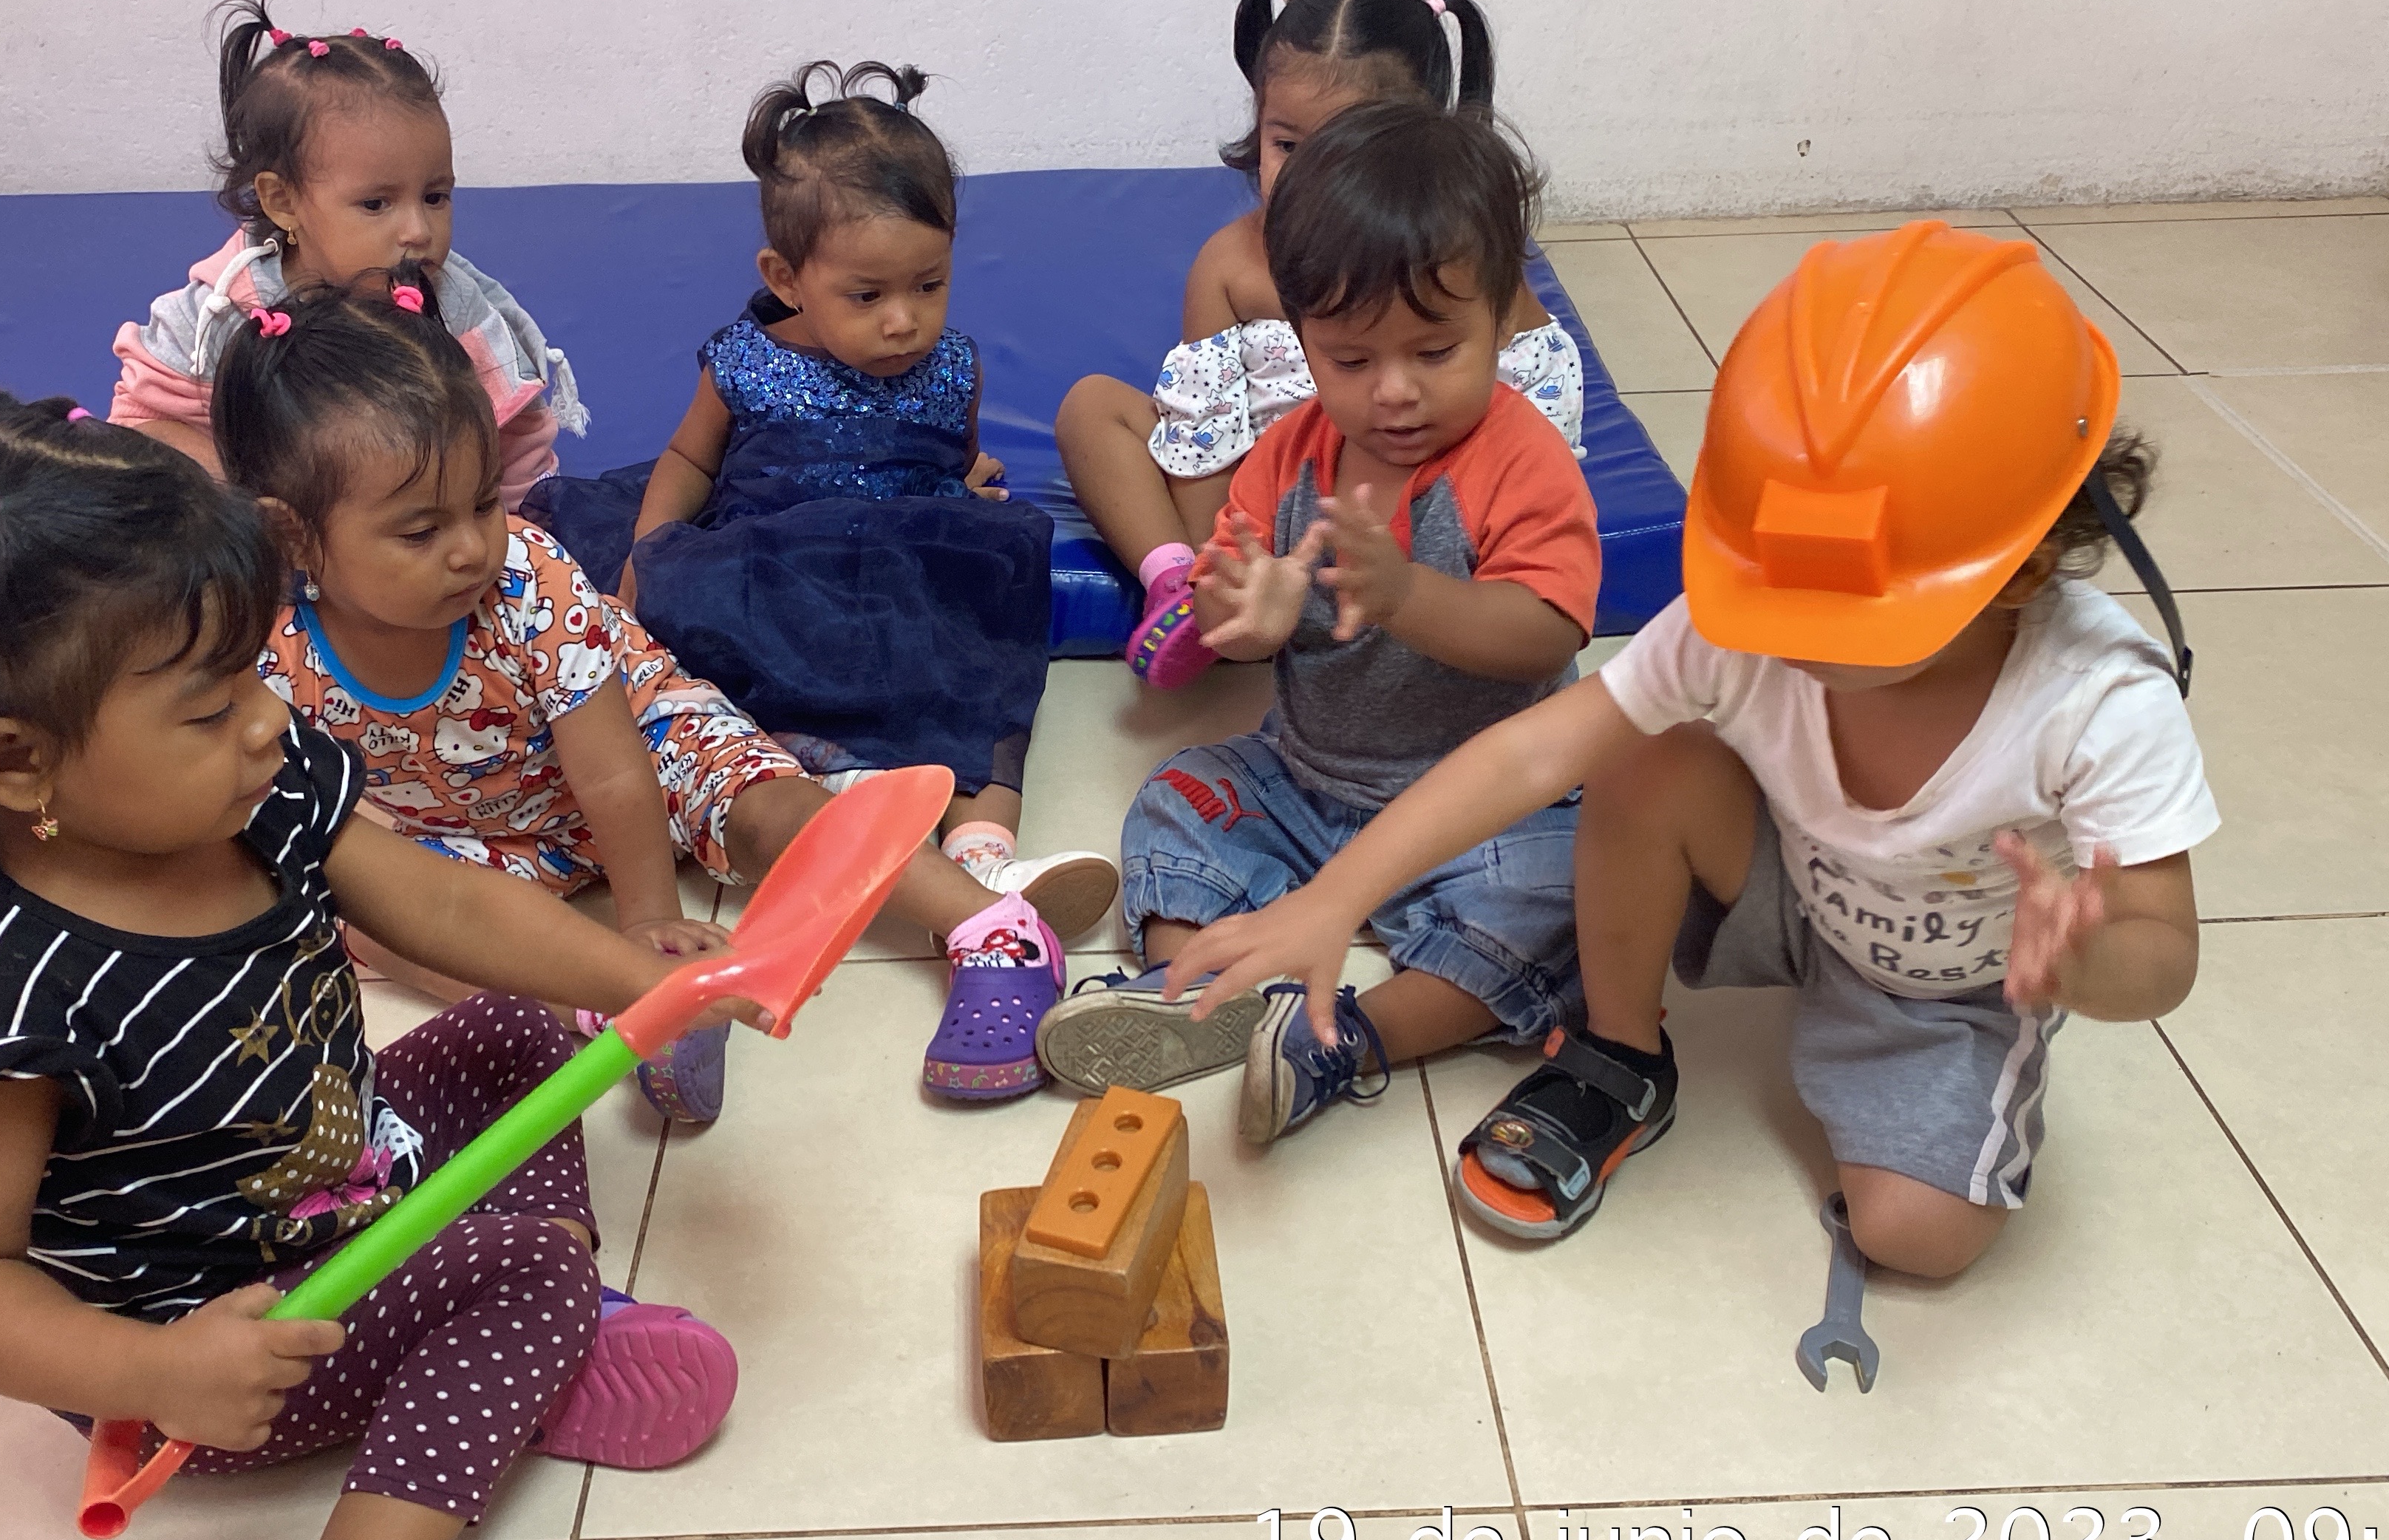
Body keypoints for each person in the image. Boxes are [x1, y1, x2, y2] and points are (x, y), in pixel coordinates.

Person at [0, 392, 735, 1540]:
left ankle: (514, 1349)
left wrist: (647, 983)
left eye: (251, 672)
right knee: (531, 1265)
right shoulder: (8, 995)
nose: (268, 717)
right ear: (17, 763)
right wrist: (156, 1370)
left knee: (531, 1038)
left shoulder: (257, 790)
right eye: (210, 704)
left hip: (335, 1179)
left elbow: (443, 902)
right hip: (224, 1344)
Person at [1162, 222, 2216, 1277]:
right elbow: (1533, 755)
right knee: (1640, 748)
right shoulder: (1753, 609)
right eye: (1774, 588)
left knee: (1914, 1238)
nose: (1790, 638)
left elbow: (2164, 952)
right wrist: (1337, 897)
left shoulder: (2099, 698)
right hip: (1795, 886)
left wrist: (2086, 964)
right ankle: (1621, 1054)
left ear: (2024, 567)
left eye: (1844, 617)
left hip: (1961, 975)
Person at [215, 277, 1108, 1106]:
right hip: (483, 833)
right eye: (419, 531)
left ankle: (994, 930)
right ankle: (605, 1014)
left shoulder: (526, 580)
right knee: (365, 915)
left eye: (484, 503)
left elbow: (612, 774)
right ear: (292, 540)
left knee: (770, 809)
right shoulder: (263, 653)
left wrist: (652, 923)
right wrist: (624, 971)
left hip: (639, 740)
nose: (469, 548)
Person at [532, 60, 1112, 1100]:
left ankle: (985, 851)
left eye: (930, 286)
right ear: (788, 276)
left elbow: (946, 456)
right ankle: (825, 776)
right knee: (708, 648)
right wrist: (647, 554)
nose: (904, 322)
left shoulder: (955, 363)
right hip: (768, 553)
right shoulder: (745, 361)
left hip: (905, 556)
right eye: (868, 296)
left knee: (985, 649)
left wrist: (959, 489)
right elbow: (690, 462)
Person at [1033, 100, 1600, 1136]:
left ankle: (1349, 1039)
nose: (1395, 392)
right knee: (1179, 798)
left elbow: (1548, 630)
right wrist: (1244, 616)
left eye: (1436, 351)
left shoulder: (1523, 459)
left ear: (1498, 323)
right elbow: (1236, 605)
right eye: (1351, 360)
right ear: (1303, 341)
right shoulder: (1293, 452)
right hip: (1307, 778)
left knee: (1568, 888)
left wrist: (1408, 594)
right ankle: (1196, 989)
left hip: (1487, 809)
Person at [1054, 0, 1584, 689]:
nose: (1311, 174)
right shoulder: (1232, 263)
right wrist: (1227, 562)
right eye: (1287, 144)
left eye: (1345, 145)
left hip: (1418, 503)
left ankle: (1371, 594)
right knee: (1091, 407)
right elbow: (1203, 431)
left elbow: (1530, 417)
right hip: (1269, 498)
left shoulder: (1465, 273)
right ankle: (1175, 582)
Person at [109, 0, 585, 489]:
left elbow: (514, 441)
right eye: (376, 204)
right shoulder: (227, 311)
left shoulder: (452, 306)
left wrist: (509, 521)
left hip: (404, 513)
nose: (419, 231)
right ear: (283, 202)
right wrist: (240, 500)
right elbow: (141, 424)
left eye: (435, 197)